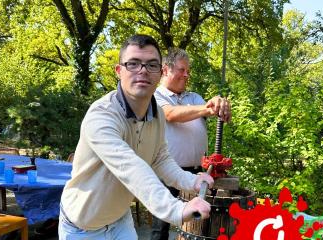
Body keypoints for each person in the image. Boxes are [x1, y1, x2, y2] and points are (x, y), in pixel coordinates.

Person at [58, 34, 214, 240]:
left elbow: (160, 158)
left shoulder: (156, 112)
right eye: (133, 64)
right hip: (82, 228)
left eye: (151, 65)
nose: (142, 71)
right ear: (119, 71)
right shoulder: (102, 115)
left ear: (160, 72)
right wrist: (175, 209)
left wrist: (191, 181)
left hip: (120, 220)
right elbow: (129, 167)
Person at [151, 48, 232, 240]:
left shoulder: (193, 97)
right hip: (167, 172)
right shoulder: (155, 97)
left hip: (196, 173)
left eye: (188, 71)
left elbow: (207, 110)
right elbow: (170, 114)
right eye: (181, 69)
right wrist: (207, 107)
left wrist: (219, 106)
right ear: (165, 70)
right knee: (160, 226)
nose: (186, 75)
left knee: (196, 223)